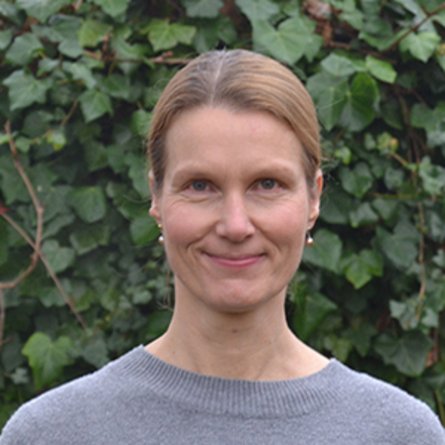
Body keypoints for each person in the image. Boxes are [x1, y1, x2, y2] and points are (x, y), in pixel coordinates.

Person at [1, 49, 443, 445]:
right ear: (156, 197)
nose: (235, 225)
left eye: (267, 184)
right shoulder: (53, 434)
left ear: (314, 198)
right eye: (200, 185)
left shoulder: (398, 434)